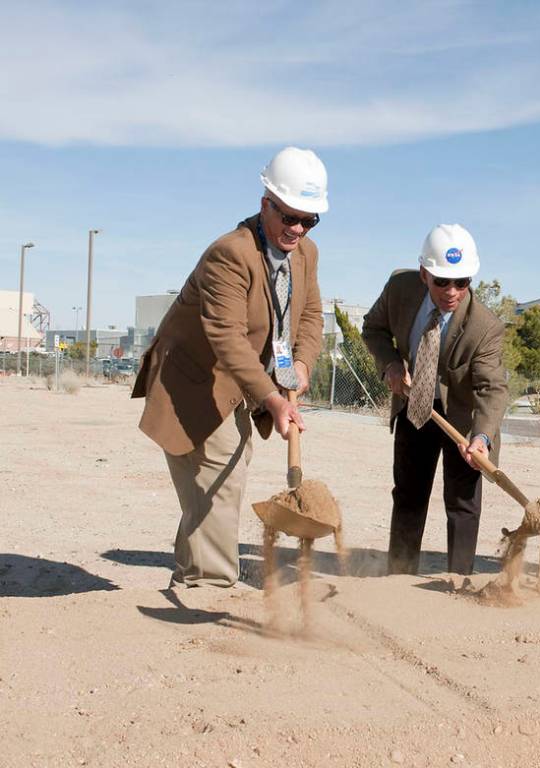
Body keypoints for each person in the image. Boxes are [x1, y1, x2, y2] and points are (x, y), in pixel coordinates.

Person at [132, 147, 328, 588]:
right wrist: (274, 398)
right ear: (266, 205)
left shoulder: (306, 254)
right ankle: (212, 588)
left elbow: (310, 315)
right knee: (219, 481)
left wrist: (301, 364)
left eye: (309, 219)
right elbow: (227, 338)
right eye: (290, 216)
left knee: (219, 484)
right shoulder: (230, 254)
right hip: (195, 382)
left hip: (242, 384)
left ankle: (193, 577)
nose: (297, 228)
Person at [361, 224, 507, 576]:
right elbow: (373, 328)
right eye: (442, 281)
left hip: (463, 418)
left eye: (462, 281)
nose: (453, 291)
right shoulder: (399, 288)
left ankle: (459, 579)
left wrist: (481, 437)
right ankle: (399, 573)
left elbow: (492, 389)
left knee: (462, 503)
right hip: (415, 401)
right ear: (424, 272)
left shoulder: (484, 326)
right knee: (409, 494)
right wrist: (392, 365)